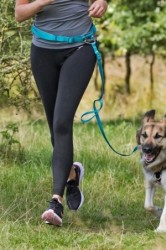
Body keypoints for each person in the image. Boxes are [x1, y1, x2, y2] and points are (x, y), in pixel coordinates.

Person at [15, 0, 108, 226]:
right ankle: (72, 174)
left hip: (81, 47)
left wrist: (101, 2)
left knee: (62, 122)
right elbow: (20, 13)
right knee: (54, 125)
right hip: (43, 52)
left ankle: (55, 201)